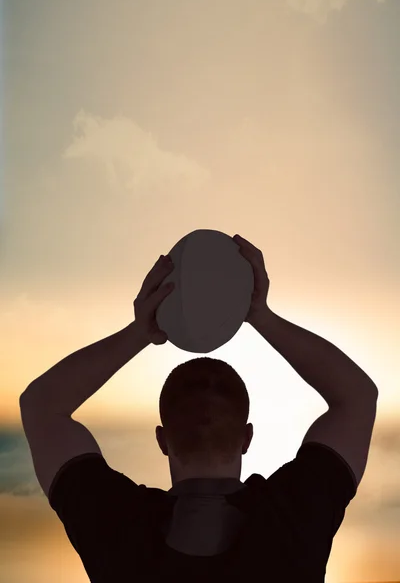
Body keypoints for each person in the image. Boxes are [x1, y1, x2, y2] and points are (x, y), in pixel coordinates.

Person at [20, 234, 378, 582]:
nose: (207, 390)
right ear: (247, 437)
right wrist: (261, 316)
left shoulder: (117, 526)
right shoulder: (297, 515)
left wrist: (140, 333)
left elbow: (41, 405)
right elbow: (357, 396)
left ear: (162, 440)